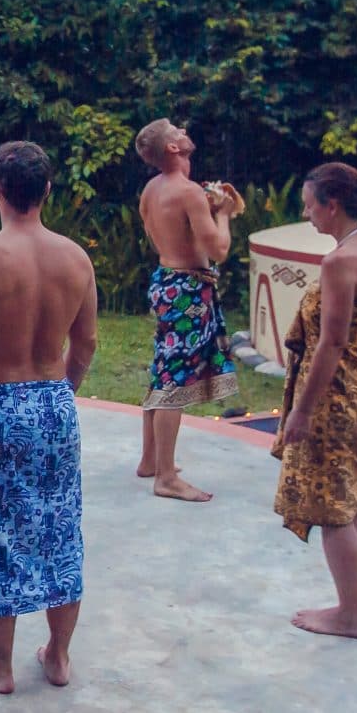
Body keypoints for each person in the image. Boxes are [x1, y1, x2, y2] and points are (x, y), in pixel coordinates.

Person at [0, 142, 98, 695]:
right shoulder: (75, 259)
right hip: (54, 402)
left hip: (0, 408)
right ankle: (58, 656)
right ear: (47, 191)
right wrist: (61, 393)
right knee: (59, 528)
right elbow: (87, 342)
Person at [273, 162, 357, 639]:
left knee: (330, 507)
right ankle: (355, 607)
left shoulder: (339, 263)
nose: (307, 214)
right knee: (350, 500)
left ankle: (351, 615)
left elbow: (332, 342)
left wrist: (302, 411)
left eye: (309, 205)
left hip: (335, 398)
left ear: (332, 205)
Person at [133, 117, 244, 503]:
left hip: (166, 281)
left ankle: (150, 459)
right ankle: (166, 477)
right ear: (173, 148)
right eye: (176, 131)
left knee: (163, 370)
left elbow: (160, 237)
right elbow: (219, 250)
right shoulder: (188, 191)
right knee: (175, 381)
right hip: (187, 290)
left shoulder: (152, 189)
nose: (183, 131)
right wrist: (223, 213)